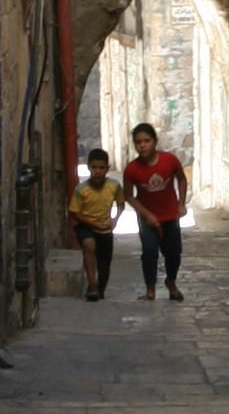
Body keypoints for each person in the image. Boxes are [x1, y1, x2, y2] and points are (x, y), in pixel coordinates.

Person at [123, 120, 189, 301]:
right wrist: (146, 214)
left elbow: (182, 179)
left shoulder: (169, 161)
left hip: (169, 215)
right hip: (147, 217)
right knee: (150, 251)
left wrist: (181, 203)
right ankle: (150, 289)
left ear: (155, 141)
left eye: (146, 140)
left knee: (174, 253)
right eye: (138, 142)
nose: (143, 145)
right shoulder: (131, 169)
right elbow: (129, 195)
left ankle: (171, 281)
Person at [68, 148, 124, 299]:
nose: (98, 172)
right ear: (89, 168)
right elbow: (74, 212)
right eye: (94, 168)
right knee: (89, 244)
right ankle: (92, 285)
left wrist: (115, 219)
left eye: (101, 168)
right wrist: (92, 224)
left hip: (105, 229)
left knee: (104, 266)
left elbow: (121, 203)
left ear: (107, 168)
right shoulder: (82, 190)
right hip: (85, 226)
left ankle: (100, 289)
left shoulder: (113, 186)